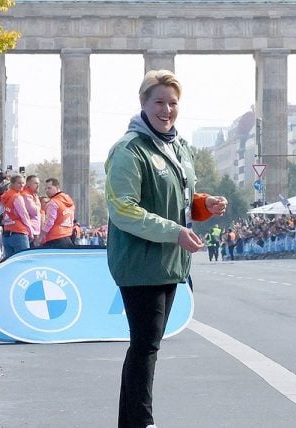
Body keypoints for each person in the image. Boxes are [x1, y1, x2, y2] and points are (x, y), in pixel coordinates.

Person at [105, 69, 228, 428]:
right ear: (143, 103)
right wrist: (175, 231)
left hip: (169, 260)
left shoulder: (179, 147)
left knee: (147, 345)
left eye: (172, 103)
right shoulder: (129, 150)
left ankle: (133, 422)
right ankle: (142, 421)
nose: (166, 110)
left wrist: (205, 204)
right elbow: (124, 209)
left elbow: (182, 200)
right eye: (159, 102)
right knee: (145, 345)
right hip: (139, 261)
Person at [0, 175, 33, 259]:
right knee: (24, 260)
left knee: (10, 261)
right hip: (19, 233)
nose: (21, 185)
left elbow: (0, 213)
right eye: (19, 183)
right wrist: (30, 230)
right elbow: (24, 215)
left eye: (23, 183)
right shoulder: (17, 197)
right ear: (12, 184)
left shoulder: (4, 197)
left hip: (7, 233)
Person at [39, 178, 76, 248]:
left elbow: (49, 222)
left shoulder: (53, 202)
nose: (47, 191)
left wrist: (40, 237)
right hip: (68, 236)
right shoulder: (70, 202)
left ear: (57, 187)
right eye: (46, 188)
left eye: (49, 188)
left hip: (54, 238)